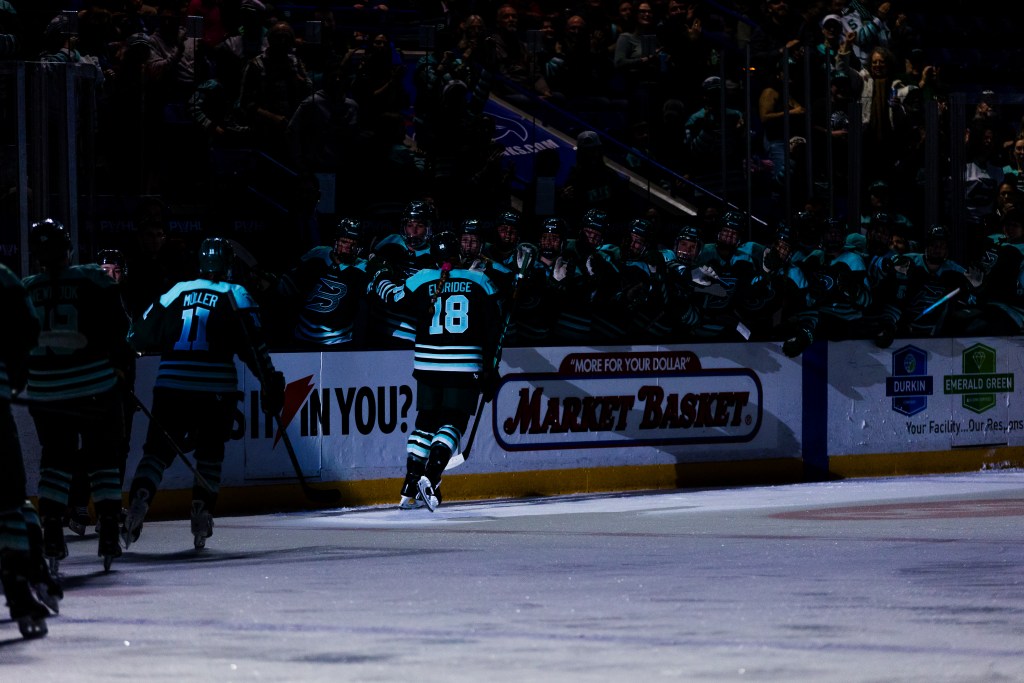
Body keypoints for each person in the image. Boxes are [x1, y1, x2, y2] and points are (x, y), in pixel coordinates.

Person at [121, 237, 285, 550]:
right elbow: (254, 347)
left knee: (156, 452)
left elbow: (137, 335)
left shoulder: (177, 290)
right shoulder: (236, 293)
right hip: (215, 389)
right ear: (227, 265)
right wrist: (270, 380)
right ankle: (201, 510)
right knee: (210, 453)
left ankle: (141, 498)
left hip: (170, 385)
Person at [22, 219, 131, 572]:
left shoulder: (24, 288)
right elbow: (121, 327)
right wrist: (119, 367)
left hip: (45, 391)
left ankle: (51, 529)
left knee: (55, 461)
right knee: (104, 457)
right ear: (67, 247)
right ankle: (110, 528)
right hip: (94, 386)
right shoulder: (92, 278)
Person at [372, 231, 502, 511]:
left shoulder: (421, 279)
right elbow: (495, 330)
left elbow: (393, 298)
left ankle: (409, 482)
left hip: (427, 365)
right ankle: (431, 476)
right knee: (453, 422)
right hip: (464, 365)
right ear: (458, 254)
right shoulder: (480, 281)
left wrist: (379, 275)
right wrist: (491, 369)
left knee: (425, 422)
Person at [0, 261, 61, 638]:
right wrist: (14, 374)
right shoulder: (3, 278)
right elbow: (27, 327)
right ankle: (23, 586)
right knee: (9, 501)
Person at [274, 218, 372, 348]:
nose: (347, 248)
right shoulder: (317, 254)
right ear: (336, 240)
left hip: (338, 341)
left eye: (353, 244)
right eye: (344, 242)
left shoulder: (362, 268)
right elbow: (287, 285)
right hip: (302, 335)